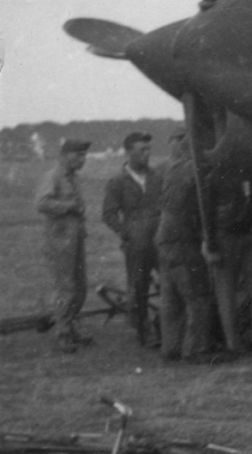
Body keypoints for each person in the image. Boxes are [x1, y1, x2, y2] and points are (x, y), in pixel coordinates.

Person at [154, 133, 215, 361]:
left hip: (164, 237)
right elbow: (202, 205)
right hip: (182, 241)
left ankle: (171, 348)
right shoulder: (194, 170)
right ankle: (196, 350)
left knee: (171, 299)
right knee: (198, 296)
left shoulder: (172, 168)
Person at [102, 132, 163, 348]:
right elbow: (108, 214)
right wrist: (126, 233)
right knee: (138, 288)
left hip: (160, 241)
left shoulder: (157, 177)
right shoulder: (118, 182)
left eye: (148, 149)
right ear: (128, 153)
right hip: (136, 245)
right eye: (141, 150)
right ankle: (143, 331)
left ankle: (167, 327)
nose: (147, 154)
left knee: (169, 282)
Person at [35, 138, 93, 353]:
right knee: (66, 288)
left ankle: (71, 327)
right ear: (65, 155)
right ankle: (63, 334)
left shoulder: (74, 178)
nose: (83, 159)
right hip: (59, 242)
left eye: (84, 155)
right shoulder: (53, 177)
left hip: (75, 240)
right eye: (78, 155)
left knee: (80, 287)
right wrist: (68, 206)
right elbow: (41, 203)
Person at [211, 177, 252, 347]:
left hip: (248, 232)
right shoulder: (215, 173)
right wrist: (210, 243)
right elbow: (205, 207)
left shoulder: (246, 172)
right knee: (226, 291)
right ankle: (233, 342)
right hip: (224, 234)